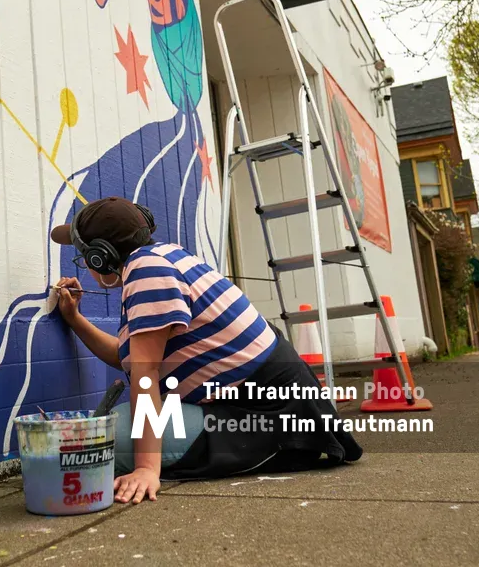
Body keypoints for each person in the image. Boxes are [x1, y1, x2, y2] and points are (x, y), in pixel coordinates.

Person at [51, 196, 362, 505]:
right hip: (268, 404)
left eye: (84, 254)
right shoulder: (162, 256)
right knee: (110, 426)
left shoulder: (147, 273)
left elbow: (145, 374)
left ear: (100, 257)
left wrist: (147, 469)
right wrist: (74, 319)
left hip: (264, 415)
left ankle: (281, 449)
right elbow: (127, 358)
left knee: (104, 438)